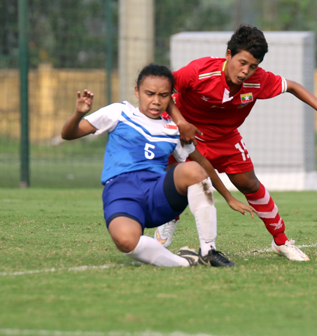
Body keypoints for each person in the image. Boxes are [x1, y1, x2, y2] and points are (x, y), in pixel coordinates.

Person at [158, 25, 317, 262]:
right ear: (228, 55)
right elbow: (164, 88)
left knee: (248, 182)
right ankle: (168, 223)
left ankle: (281, 241)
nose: (245, 71)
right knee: (179, 181)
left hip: (225, 137)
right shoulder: (200, 71)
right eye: (242, 62)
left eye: (253, 66)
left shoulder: (259, 80)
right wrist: (181, 122)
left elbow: (293, 86)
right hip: (187, 134)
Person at [61, 64, 256, 268]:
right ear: (137, 91)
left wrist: (229, 197)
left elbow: (203, 163)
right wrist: (78, 114)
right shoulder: (118, 112)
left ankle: (209, 251)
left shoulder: (174, 130)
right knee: (126, 241)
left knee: (192, 169)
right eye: (149, 93)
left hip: (158, 195)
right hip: (122, 191)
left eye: (163, 95)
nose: (156, 101)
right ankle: (185, 262)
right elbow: (68, 134)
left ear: (170, 97)